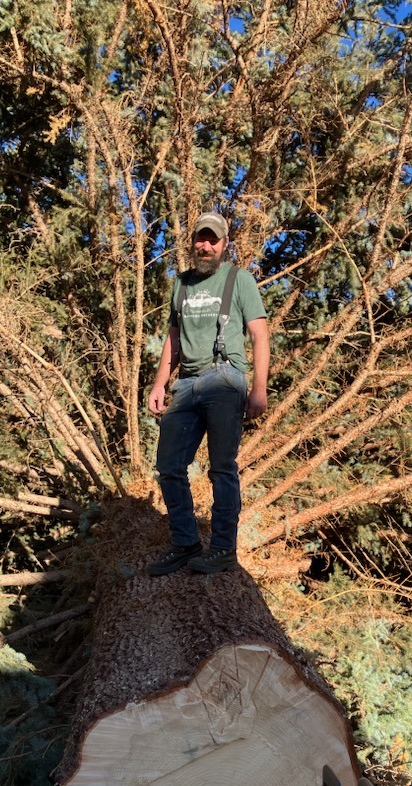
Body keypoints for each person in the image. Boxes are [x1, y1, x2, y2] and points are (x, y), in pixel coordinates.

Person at [147, 212, 270, 576]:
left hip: (225, 378)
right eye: (201, 238)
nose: (206, 246)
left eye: (213, 240)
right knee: (169, 465)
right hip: (186, 384)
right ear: (193, 242)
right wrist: (159, 383)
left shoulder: (238, 279)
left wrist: (259, 389)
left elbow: (260, 335)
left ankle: (223, 550)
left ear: (224, 244)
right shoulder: (182, 284)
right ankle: (185, 543)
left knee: (221, 467)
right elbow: (173, 339)